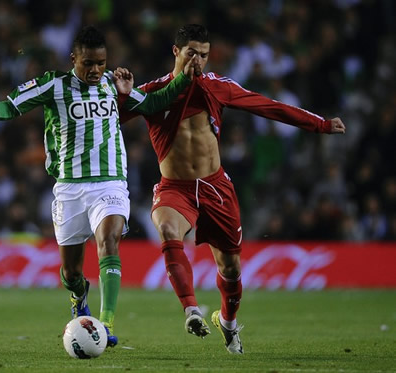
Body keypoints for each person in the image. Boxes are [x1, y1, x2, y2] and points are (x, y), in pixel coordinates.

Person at [0, 25, 200, 347]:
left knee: (109, 241)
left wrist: (184, 77)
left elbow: (156, 103)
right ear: (74, 59)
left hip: (110, 182)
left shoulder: (114, 84)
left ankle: (106, 324)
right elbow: (12, 105)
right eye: (88, 63)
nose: (95, 70)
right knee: (71, 271)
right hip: (69, 188)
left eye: (101, 62)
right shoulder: (53, 85)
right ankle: (78, 296)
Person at [120, 24, 346, 354]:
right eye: (192, 53)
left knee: (230, 269)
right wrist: (122, 94)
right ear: (176, 52)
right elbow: (112, 116)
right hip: (175, 188)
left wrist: (320, 124)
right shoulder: (154, 92)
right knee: (167, 228)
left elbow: (269, 106)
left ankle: (227, 321)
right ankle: (191, 310)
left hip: (215, 187)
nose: (199, 60)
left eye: (205, 55)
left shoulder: (218, 87)